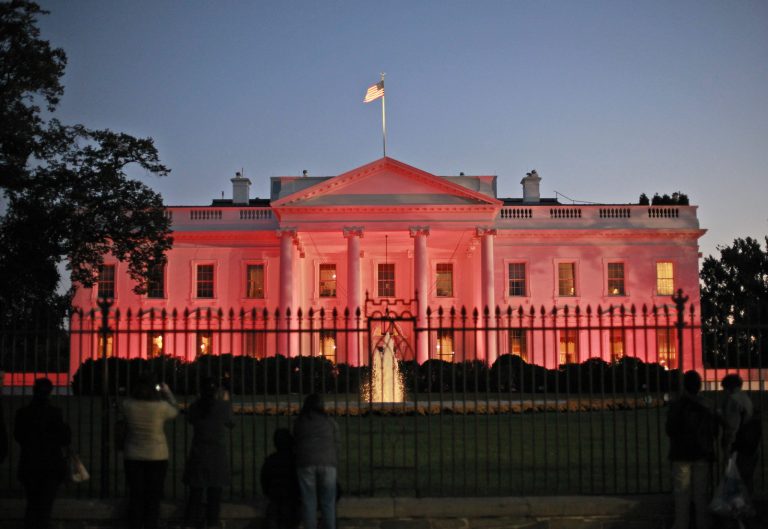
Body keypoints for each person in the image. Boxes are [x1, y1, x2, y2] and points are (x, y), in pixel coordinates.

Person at [121, 373, 179, 529]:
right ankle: (151, 523)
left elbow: (124, 403)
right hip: (157, 455)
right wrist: (166, 392)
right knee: (153, 495)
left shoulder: (128, 405)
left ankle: (135, 523)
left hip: (133, 454)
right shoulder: (160, 407)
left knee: (136, 494)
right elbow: (175, 410)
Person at [14, 377, 71, 529]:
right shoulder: (55, 413)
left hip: (29, 463)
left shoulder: (23, 413)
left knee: (32, 504)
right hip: (50, 465)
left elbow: (18, 436)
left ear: (33, 391)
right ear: (50, 393)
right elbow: (64, 439)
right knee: (45, 505)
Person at [666, 370, 716, 529]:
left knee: (682, 493)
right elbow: (713, 430)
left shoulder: (677, 405)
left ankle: (681, 524)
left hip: (681, 453)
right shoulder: (707, 405)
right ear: (699, 386)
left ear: (684, 386)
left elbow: (670, 429)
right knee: (701, 493)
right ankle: (702, 524)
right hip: (701, 452)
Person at [183, 377, 234, 529]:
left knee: (196, 493)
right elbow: (231, 423)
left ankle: (191, 522)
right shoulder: (222, 407)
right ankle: (212, 523)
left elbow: (190, 420)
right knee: (214, 494)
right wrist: (226, 400)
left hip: (199, 452)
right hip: (216, 454)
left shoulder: (195, 407)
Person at [293, 393, 339, 529]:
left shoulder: (300, 422)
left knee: (308, 500)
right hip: (328, 463)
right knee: (328, 501)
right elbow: (337, 442)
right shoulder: (329, 421)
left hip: (306, 462)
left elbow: (296, 440)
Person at [720, 373, 759, 496]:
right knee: (747, 479)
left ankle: (739, 508)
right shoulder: (745, 398)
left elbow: (732, 426)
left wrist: (728, 446)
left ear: (728, 387)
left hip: (738, 445)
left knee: (736, 478)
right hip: (750, 444)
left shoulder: (733, 400)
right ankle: (748, 506)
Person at [260, 428, 300, 529]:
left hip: (275, 500)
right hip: (292, 502)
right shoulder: (295, 461)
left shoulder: (270, 460)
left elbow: (264, 481)